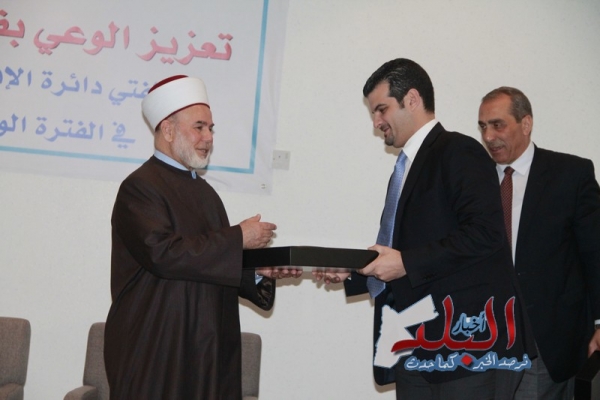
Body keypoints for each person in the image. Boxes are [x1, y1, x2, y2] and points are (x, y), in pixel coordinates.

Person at [318, 58, 535, 399]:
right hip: (416, 345)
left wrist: (404, 262)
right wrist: (354, 270)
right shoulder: (407, 166)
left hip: (469, 348)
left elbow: (485, 234)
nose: (376, 122)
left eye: (382, 109)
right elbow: (409, 248)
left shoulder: (460, 151)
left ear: (412, 99)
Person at [104, 75, 297, 399]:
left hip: (206, 350)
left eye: (211, 128)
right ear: (168, 130)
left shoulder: (206, 193)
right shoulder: (140, 188)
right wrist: (238, 238)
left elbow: (206, 264)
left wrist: (256, 272)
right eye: (199, 127)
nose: (208, 138)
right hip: (155, 349)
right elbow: (163, 254)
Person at [478, 86, 600, 399]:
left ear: (526, 123)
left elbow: (595, 253)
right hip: (484, 343)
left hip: (547, 344)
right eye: (483, 126)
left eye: (498, 125)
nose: (489, 136)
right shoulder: (473, 180)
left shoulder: (571, 175)